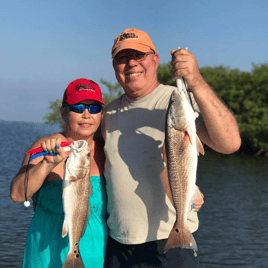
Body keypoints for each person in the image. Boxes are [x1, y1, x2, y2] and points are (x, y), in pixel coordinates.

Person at [101, 28, 241, 267]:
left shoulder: (179, 99)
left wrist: (195, 81)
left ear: (155, 59)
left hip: (170, 242)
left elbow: (230, 143)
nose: (131, 63)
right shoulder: (105, 114)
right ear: (114, 66)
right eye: (122, 58)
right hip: (118, 245)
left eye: (139, 55)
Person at [10, 78, 108, 268]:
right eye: (78, 107)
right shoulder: (44, 147)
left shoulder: (107, 152)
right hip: (44, 252)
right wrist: (47, 163)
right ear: (64, 112)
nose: (86, 114)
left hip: (94, 254)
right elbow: (17, 194)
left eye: (94, 108)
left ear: (101, 115)